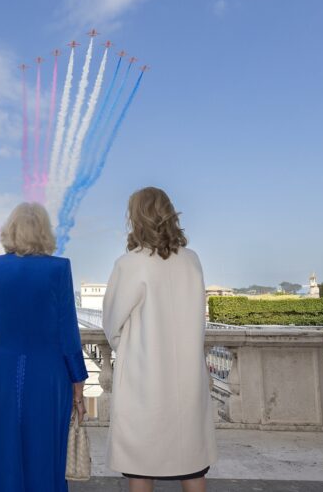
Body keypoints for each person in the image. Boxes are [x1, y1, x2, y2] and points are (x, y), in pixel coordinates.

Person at [0, 202, 88, 492]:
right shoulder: (59, 269)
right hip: (49, 376)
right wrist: (78, 383)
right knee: (44, 449)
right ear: (45, 232)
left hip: (1, 375)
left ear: (11, 231)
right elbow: (68, 331)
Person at [102, 187, 217, 492]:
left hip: (144, 378)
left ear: (136, 218)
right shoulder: (192, 260)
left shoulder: (129, 264)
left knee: (141, 463)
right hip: (188, 377)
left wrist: (131, 347)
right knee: (192, 462)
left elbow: (112, 323)